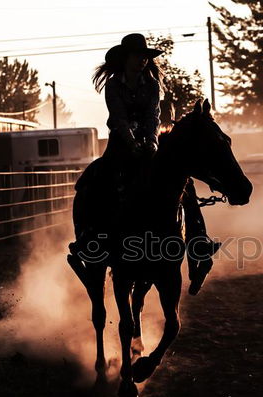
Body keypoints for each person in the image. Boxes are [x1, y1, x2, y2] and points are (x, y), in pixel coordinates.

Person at [86, 33, 220, 294]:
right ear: (127, 58)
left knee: (183, 183)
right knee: (103, 177)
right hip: (121, 143)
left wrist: (151, 142)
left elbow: (153, 115)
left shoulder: (152, 84)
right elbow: (119, 117)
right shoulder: (114, 86)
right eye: (138, 56)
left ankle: (199, 243)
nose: (143, 60)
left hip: (150, 141)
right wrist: (131, 142)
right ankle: (93, 237)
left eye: (145, 56)